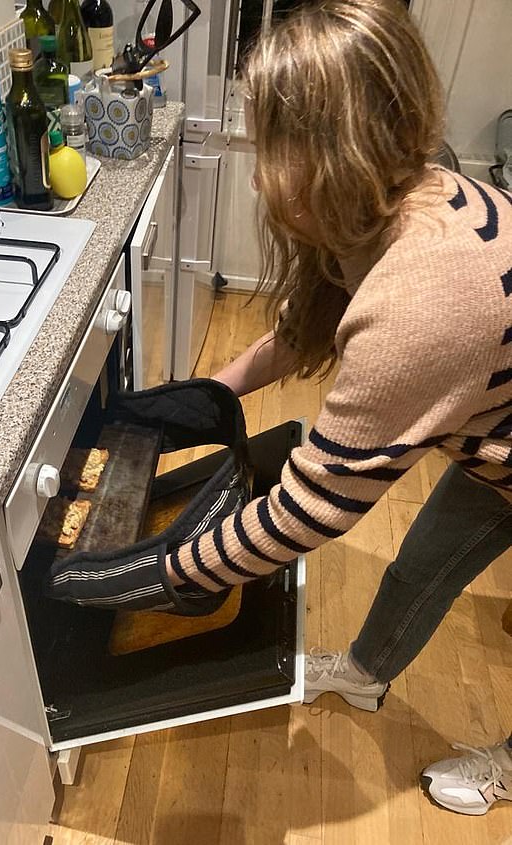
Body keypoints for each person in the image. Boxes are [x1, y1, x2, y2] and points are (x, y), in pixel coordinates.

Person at [48, 0, 512, 816]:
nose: (258, 178)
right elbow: (316, 322)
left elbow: (307, 511)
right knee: (420, 569)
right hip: (498, 437)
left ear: (334, 153)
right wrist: (214, 391)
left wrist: (159, 572)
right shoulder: (402, 196)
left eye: (273, 150)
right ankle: (367, 676)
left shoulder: (424, 299)